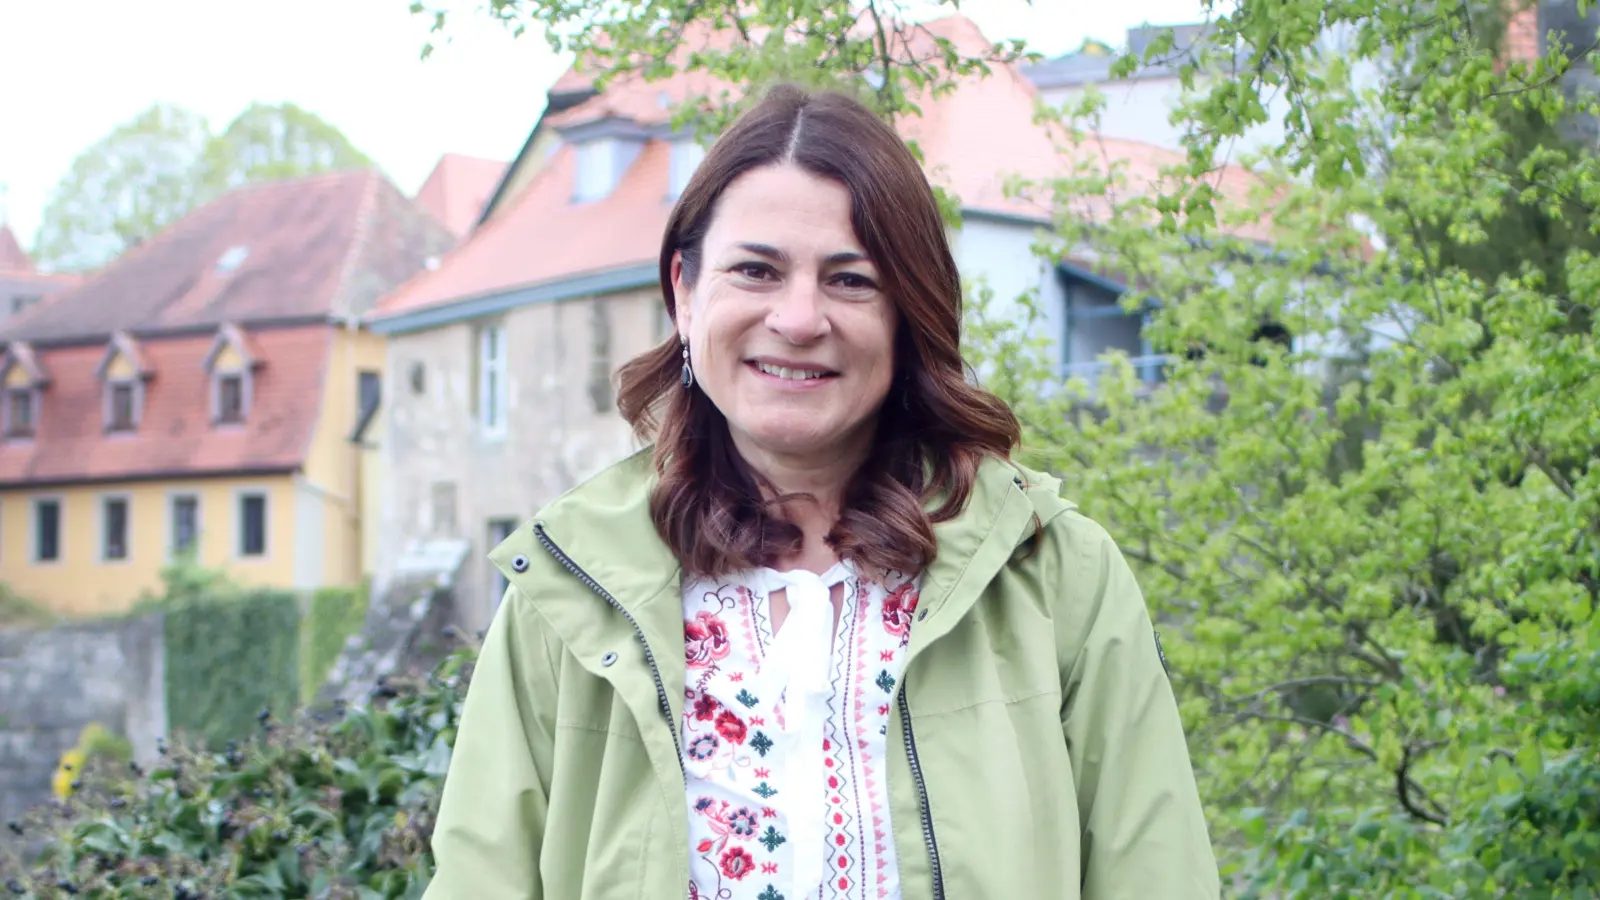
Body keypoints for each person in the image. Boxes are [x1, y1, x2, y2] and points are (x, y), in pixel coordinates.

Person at [423, 83, 1219, 900]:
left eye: (850, 281)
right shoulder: (570, 590)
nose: (799, 318)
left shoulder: (1055, 577)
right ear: (686, 292)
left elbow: (1159, 876)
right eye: (756, 270)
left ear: (910, 314)